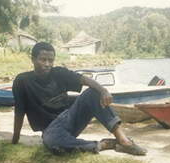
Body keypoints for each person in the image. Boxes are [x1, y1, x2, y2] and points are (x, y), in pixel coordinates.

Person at [11, 42, 147, 155]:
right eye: (42, 60)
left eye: (50, 60)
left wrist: (103, 90)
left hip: (69, 119)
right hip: (50, 129)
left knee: (92, 93)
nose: (47, 64)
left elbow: (84, 79)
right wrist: (15, 139)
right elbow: (19, 111)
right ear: (33, 59)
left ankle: (124, 141)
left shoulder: (59, 73)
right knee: (55, 145)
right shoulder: (22, 81)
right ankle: (105, 144)